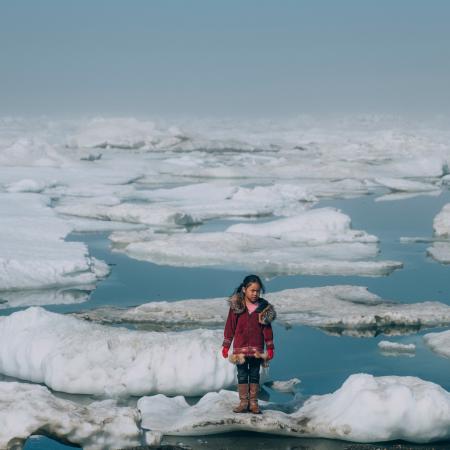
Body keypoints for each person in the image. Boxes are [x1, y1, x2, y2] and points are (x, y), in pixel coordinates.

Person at [221, 274, 276, 414]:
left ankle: (253, 403)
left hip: (257, 349)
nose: (255, 294)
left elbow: (267, 329)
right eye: (252, 290)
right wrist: (226, 345)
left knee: (254, 374)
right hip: (240, 348)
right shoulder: (237, 307)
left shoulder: (264, 308)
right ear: (245, 289)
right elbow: (230, 326)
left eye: (258, 291)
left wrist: (270, 347)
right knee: (242, 374)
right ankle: (243, 402)